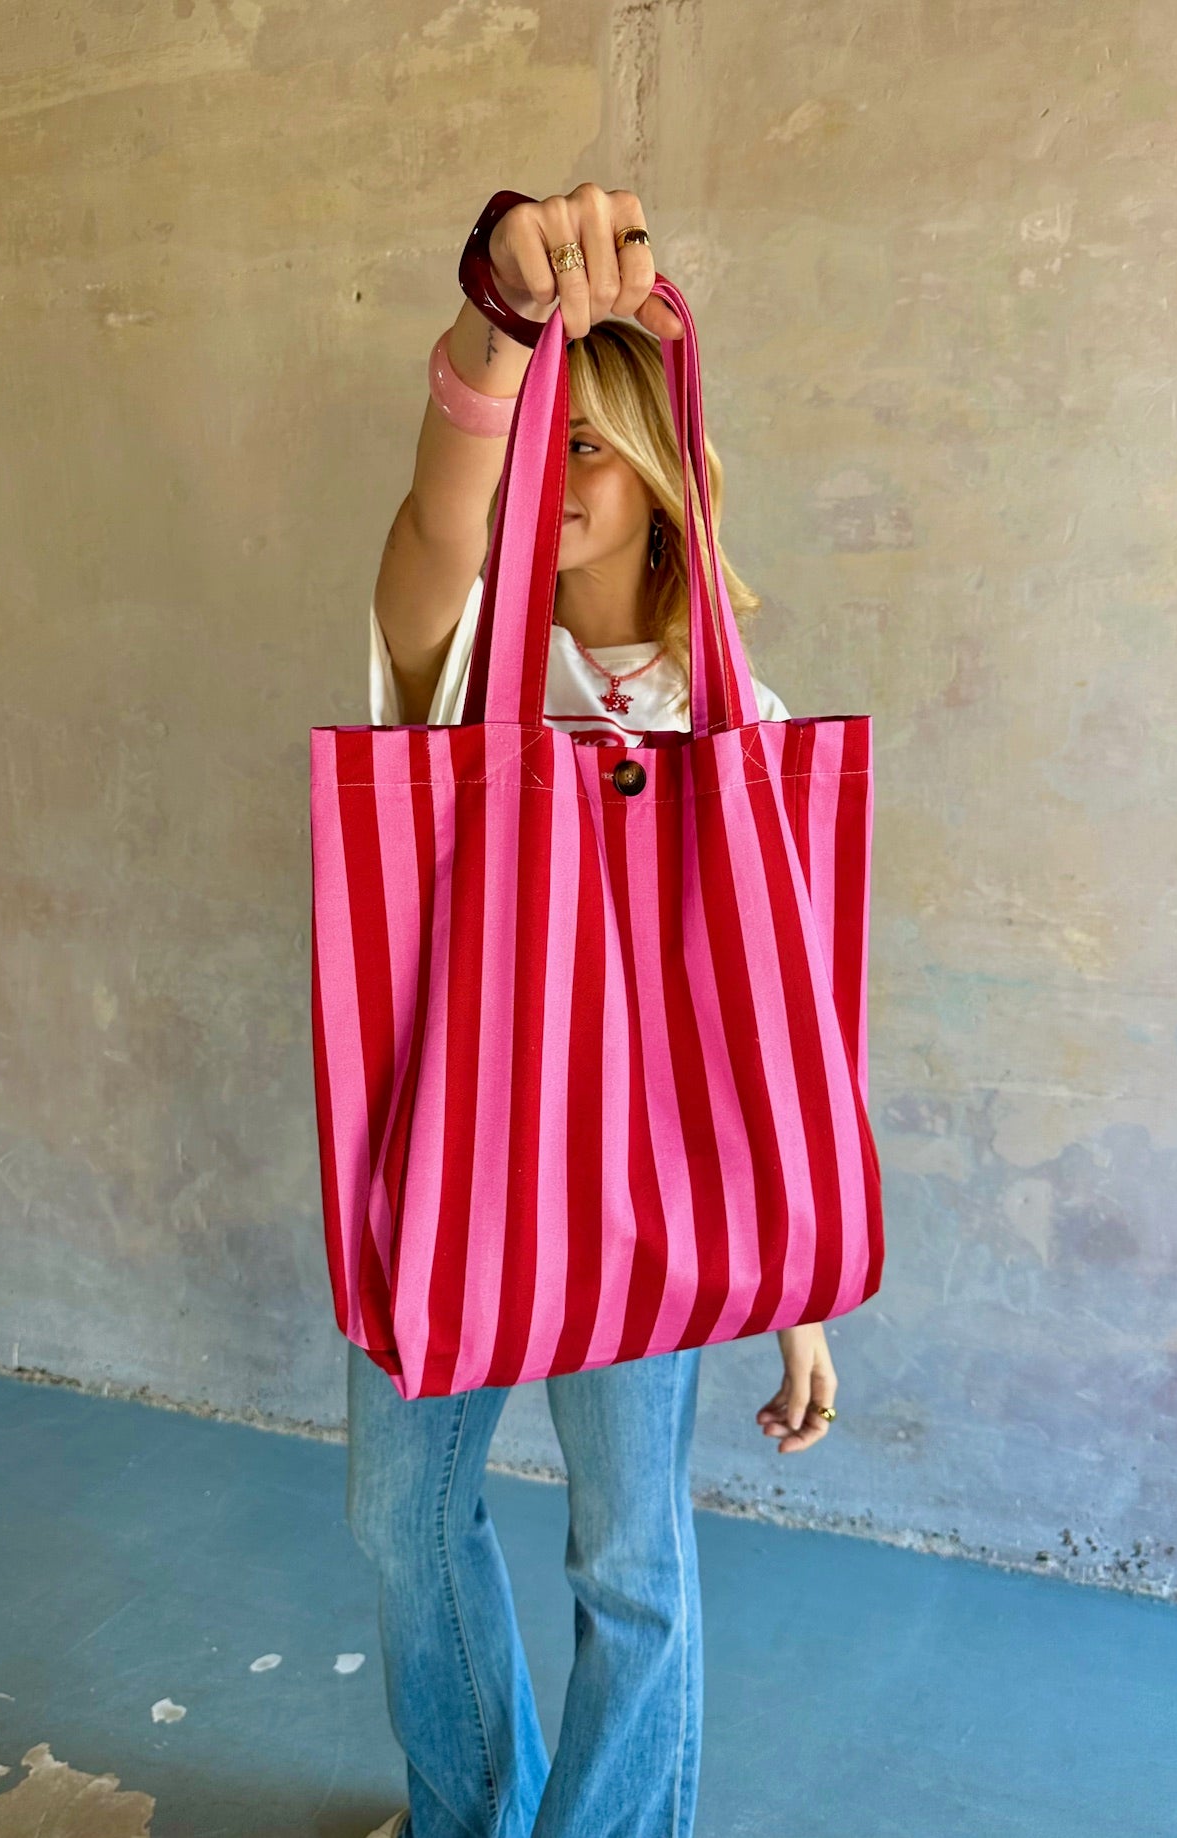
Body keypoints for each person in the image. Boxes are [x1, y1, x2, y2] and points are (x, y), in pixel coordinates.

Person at [351, 183, 841, 1838]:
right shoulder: (451, 660)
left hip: (645, 1194)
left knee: (627, 1557)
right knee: (396, 1516)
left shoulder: (735, 727)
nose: (544, 473)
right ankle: (471, 1810)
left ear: (658, 474)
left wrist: (795, 1283)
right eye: (533, 442)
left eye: (586, 442)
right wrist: (500, 323)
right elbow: (441, 505)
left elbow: (773, 1009)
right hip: (445, 1164)